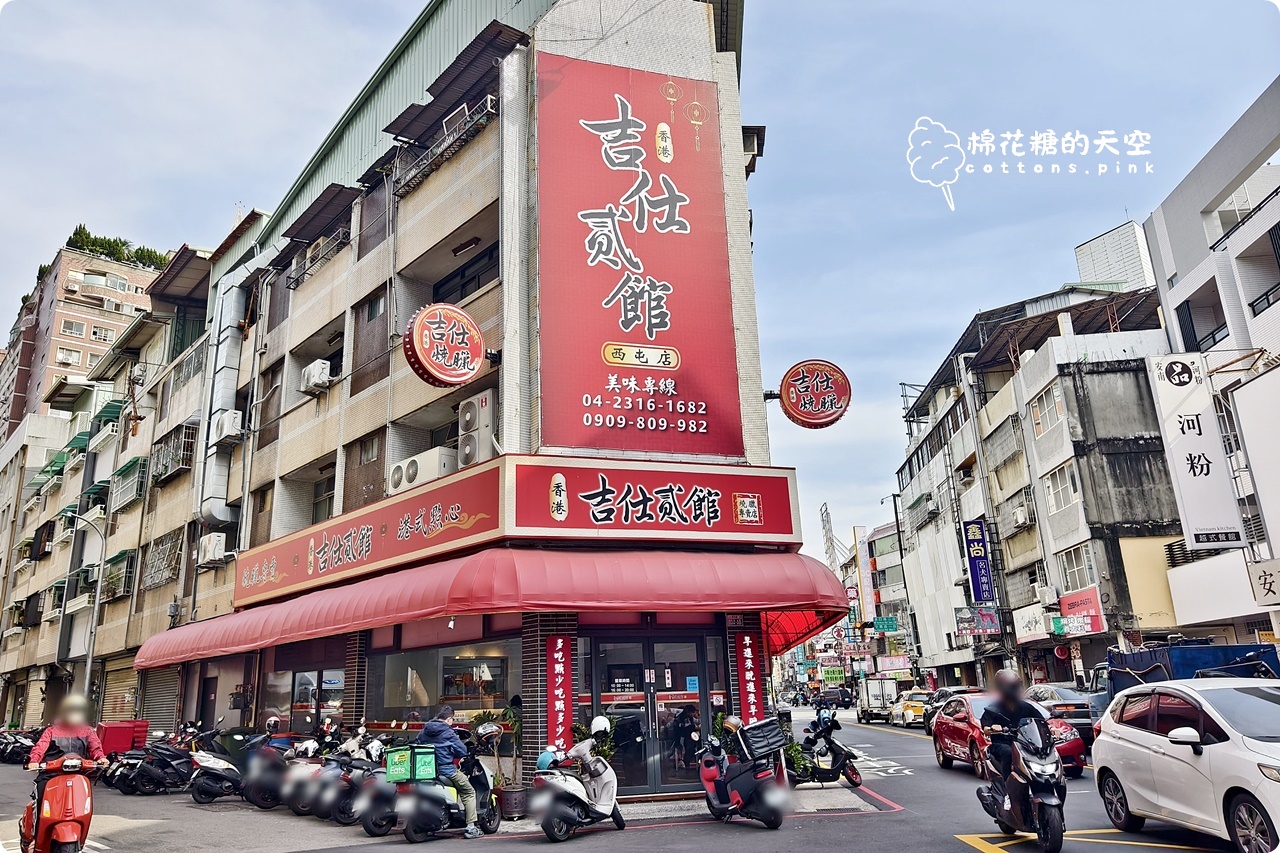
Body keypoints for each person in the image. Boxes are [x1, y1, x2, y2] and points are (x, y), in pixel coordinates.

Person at [25, 695, 108, 834]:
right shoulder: (51, 731)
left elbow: (96, 748)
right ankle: (36, 834)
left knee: (85, 805)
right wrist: (34, 761)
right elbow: (40, 747)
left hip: (77, 776)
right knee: (41, 801)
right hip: (50, 775)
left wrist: (101, 759)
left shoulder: (88, 731)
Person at [415, 706, 481, 839]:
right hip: (446, 770)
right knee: (468, 791)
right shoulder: (448, 732)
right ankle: (471, 827)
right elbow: (462, 750)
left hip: (425, 770)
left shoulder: (424, 730)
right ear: (449, 719)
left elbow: (417, 743)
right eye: (452, 719)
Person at [979, 670, 1042, 792]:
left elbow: (1041, 721)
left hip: (1024, 744)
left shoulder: (1025, 706)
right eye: (1011, 687)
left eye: (1015, 686)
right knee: (1008, 752)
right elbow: (985, 728)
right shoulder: (993, 708)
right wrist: (992, 728)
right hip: (1002, 744)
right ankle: (1008, 790)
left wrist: (1053, 728)